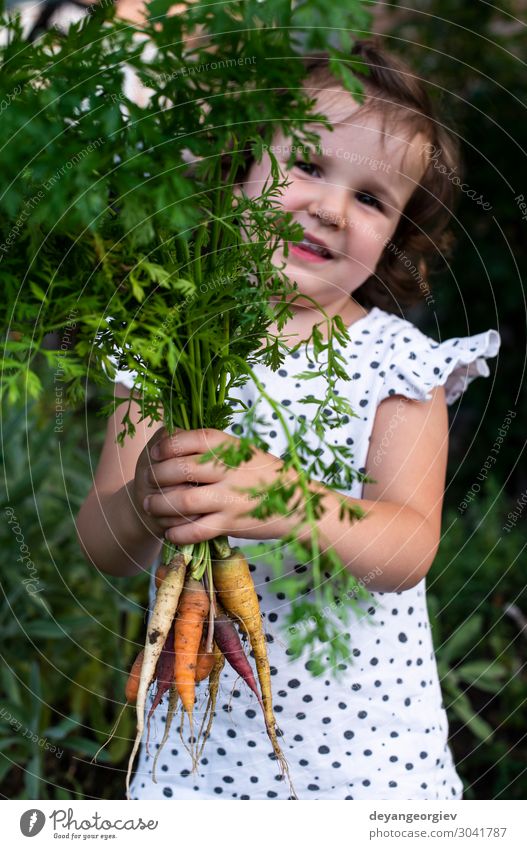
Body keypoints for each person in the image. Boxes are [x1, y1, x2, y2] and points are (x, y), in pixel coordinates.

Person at [76, 39, 500, 800]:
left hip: (370, 772)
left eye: (371, 199)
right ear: (242, 165)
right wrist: (147, 490)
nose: (331, 208)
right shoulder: (169, 346)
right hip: (193, 770)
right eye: (306, 162)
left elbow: (405, 546)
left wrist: (286, 499)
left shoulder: (398, 363)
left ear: (397, 236)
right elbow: (103, 546)